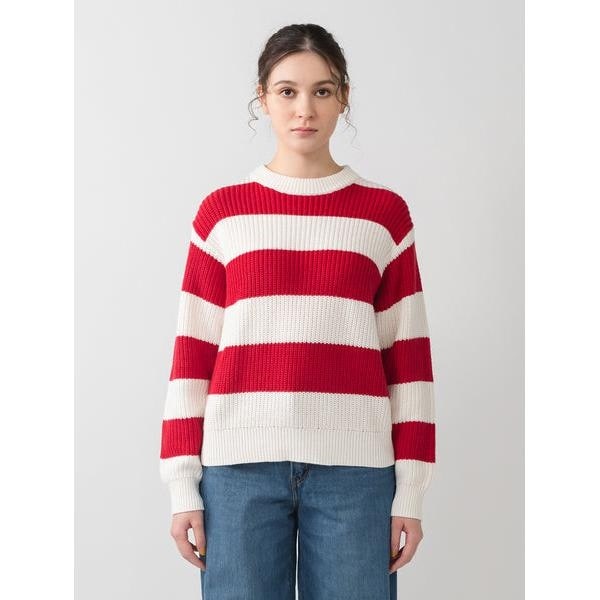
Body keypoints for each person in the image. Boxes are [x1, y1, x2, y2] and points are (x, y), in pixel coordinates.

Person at [159, 23, 436, 600]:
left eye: (322, 90)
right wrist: (182, 484)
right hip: (237, 473)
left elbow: (409, 364)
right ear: (262, 97)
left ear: (344, 97)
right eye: (287, 91)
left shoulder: (383, 216)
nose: (304, 108)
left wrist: (410, 491)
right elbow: (192, 359)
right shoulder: (222, 215)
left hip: (356, 475)